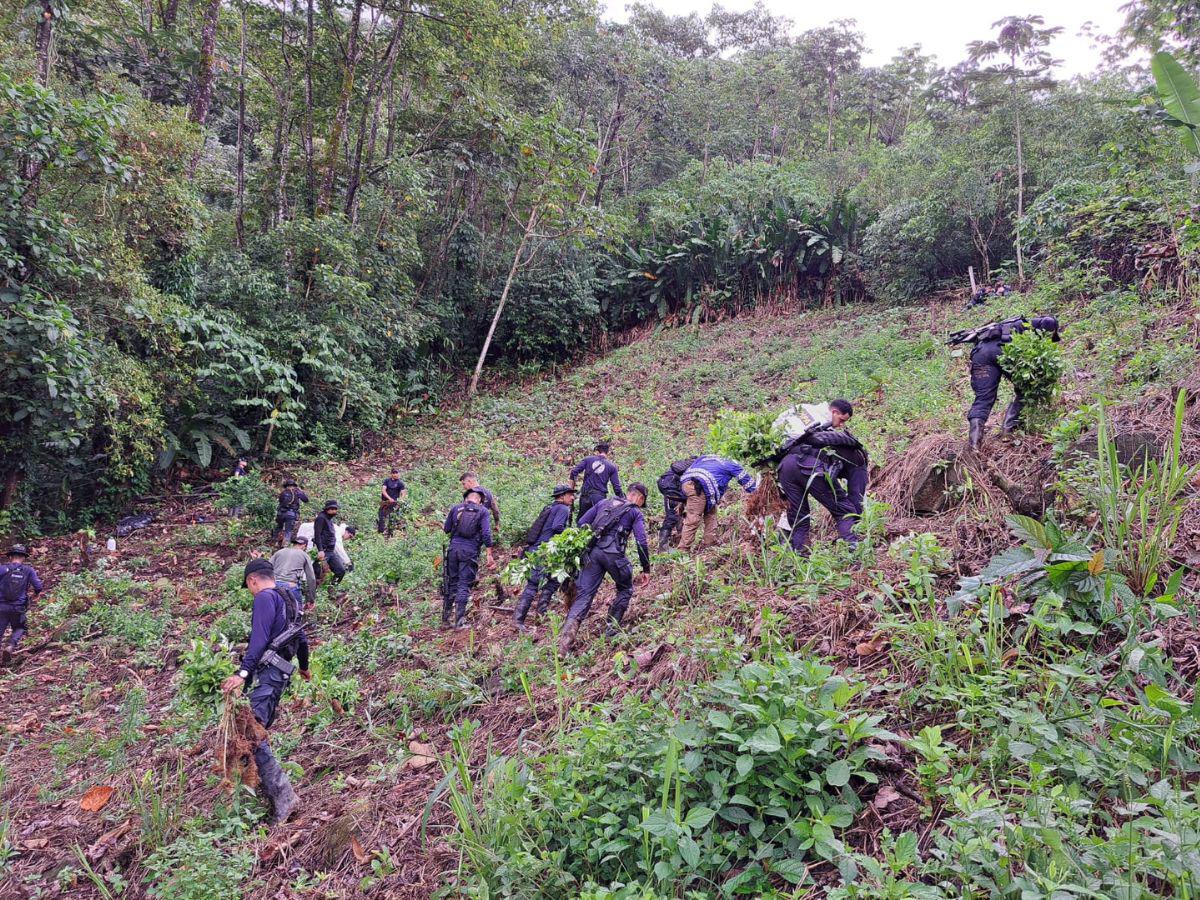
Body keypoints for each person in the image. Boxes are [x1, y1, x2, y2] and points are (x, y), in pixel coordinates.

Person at [220, 559, 309, 825]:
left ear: (252, 581)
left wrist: (242, 674)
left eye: (249, 587)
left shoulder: (264, 598)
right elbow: (302, 637)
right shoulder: (290, 596)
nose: (251, 591)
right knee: (252, 735)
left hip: (267, 676)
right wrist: (304, 666)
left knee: (252, 736)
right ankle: (262, 798)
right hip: (281, 675)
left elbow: (258, 640)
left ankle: (284, 798)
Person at [559, 483, 652, 652]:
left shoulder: (604, 502)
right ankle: (611, 630)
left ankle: (564, 645)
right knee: (625, 589)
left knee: (584, 595)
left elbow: (582, 522)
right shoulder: (635, 512)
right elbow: (641, 541)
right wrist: (646, 569)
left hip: (593, 554)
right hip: (614, 556)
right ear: (640, 498)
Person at [769, 401, 863, 556]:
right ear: (834, 412)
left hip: (785, 467)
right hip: (809, 465)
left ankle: (802, 558)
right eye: (842, 420)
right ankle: (853, 553)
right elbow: (823, 441)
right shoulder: (819, 419)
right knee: (844, 510)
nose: (841, 425)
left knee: (800, 518)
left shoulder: (799, 410)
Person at [966, 315, 1061, 450]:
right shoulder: (1035, 331)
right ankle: (1008, 431)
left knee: (983, 399)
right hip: (1004, 349)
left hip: (981, 353)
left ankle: (974, 447)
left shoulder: (1014, 325)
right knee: (1027, 389)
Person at [513, 484, 576, 633]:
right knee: (533, 585)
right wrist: (572, 533)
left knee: (553, 581)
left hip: (540, 551)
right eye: (570, 495)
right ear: (562, 496)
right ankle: (518, 620)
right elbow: (557, 528)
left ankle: (541, 615)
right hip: (544, 552)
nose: (573, 497)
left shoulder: (550, 507)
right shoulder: (563, 509)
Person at [677, 456, 758, 551]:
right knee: (693, 518)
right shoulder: (732, 465)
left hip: (687, 482)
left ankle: (710, 542)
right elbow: (747, 482)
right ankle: (683, 549)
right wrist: (758, 493)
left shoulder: (708, 457)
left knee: (711, 513)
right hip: (700, 486)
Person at [442, 489, 494, 629]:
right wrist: (489, 552)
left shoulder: (456, 508)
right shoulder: (483, 511)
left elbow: (446, 529)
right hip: (470, 550)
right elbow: (486, 533)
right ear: (479, 500)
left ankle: (446, 620)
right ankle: (459, 622)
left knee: (451, 583)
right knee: (464, 584)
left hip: (453, 549)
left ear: (466, 499)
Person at [0, 544, 42, 666]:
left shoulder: (2, 568)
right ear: (23, 557)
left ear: (10, 557)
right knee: (20, 627)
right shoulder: (28, 570)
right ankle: (10, 645)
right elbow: (38, 586)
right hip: (18, 607)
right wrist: (35, 594)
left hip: (1, 607)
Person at [569, 441, 624, 521]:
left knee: (581, 521)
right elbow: (617, 488)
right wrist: (624, 500)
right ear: (608, 452)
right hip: (599, 498)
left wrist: (571, 491)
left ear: (597, 451)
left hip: (585, 495)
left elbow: (574, 472)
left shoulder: (588, 460)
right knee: (597, 521)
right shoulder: (612, 466)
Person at [656, 456, 698, 551]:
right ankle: (663, 546)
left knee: (680, 513)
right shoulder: (695, 466)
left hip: (676, 488)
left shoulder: (689, 465)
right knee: (672, 515)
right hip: (671, 488)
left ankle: (679, 542)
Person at [270, 534, 317, 608]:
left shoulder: (279, 552)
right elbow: (311, 578)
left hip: (274, 585)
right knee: (297, 612)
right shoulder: (304, 555)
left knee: (276, 610)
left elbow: (268, 567)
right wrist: (311, 599)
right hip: (290, 586)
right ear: (304, 545)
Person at [312, 500, 346, 583]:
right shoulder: (321, 518)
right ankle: (312, 589)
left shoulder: (328, 519)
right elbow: (317, 535)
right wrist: (320, 550)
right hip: (324, 550)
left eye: (335, 509)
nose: (334, 511)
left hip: (330, 551)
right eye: (332, 509)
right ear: (327, 509)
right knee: (317, 573)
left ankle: (332, 587)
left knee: (340, 571)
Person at [273, 479, 309, 548]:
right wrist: (300, 492)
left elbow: (281, 502)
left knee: (279, 527)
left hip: (281, 514)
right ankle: (285, 546)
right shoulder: (297, 492)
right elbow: (306, 500)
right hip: (291, 514)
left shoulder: (283, 492)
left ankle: (274, 542)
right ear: (294, 486)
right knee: (288, 531)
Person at [377, 468, 408, 536]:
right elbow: (383, 491)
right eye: (394, 473)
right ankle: (380, 532)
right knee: (381, 516)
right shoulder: (387, 481)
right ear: (391, 474)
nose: (396, 475)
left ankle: (390, 534)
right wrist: (389, 498)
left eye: (397, 473)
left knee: (392, 518)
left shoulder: (400, 483)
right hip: (385, 502)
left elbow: (403, 493)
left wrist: (400, 500)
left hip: (394, 503)